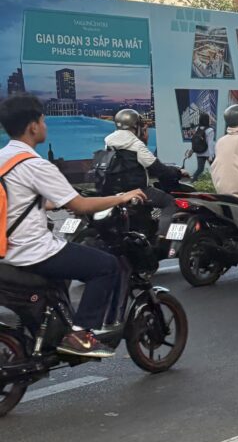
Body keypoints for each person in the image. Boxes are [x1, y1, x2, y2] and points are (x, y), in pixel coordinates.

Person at [0, 94, 147, 359]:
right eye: (43, 121)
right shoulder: (35, 165)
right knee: (106, 266)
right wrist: (122, 197)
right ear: (33, 126)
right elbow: (80, 205)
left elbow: (16, 202)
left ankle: (49, 331)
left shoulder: (4, 159)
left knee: (68, 266)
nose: (45, 126)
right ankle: (81, 334)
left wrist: (52, 204)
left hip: (6, 250)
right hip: (32, 251)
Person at [101, 108, 187, 211]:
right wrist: (178, 172)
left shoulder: (109, 142)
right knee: (170, 202)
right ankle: (165, 228)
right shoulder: (135, 144)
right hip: (136, 191)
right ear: (136, 126)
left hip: (112, 191)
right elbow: (158, 169)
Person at [190, 114, 215, 179]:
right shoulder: (210, 130)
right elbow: (210, 143)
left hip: (199, 152)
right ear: (207, 120)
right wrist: (211, 155)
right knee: (215, 168)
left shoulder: (197, 128)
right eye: (209, 119)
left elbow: (194, 140)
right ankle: (217, 183)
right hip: (208, 153)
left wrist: (193, 149)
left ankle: (192, 181)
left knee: (200, 169)